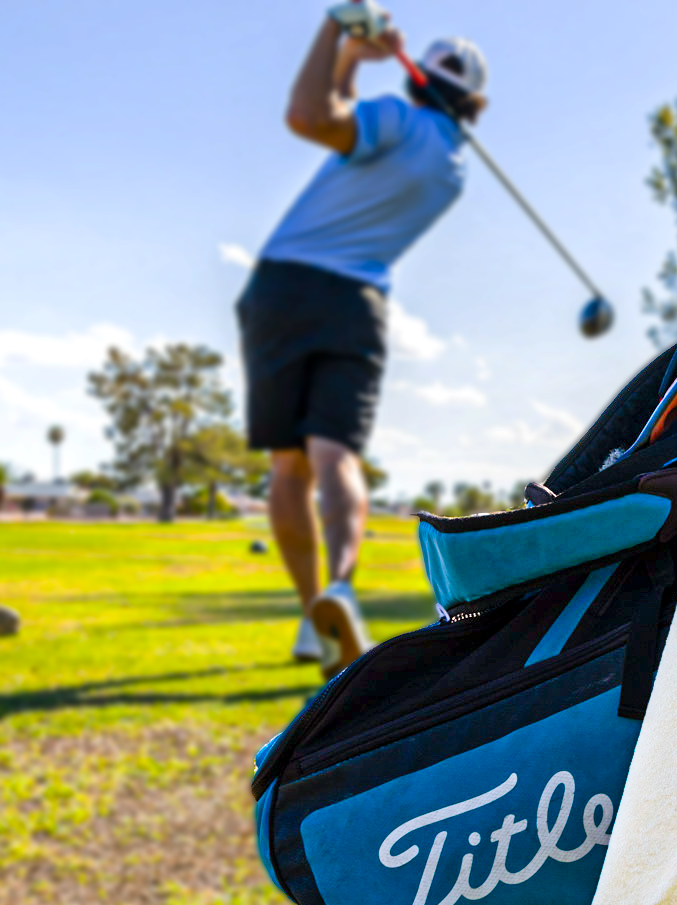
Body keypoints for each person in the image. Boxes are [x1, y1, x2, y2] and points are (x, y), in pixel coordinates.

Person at [237, 3, 486, 677]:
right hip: (359, 301)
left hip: (284, 286)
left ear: (416, 80)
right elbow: (343, 112)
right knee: (335, 454)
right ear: (475, 105)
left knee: (288, 467)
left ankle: (310, 615)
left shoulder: (395, 118)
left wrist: (337, 30)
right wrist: (354, 58)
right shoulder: (452, 169)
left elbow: (309, 116)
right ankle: (338, 585)